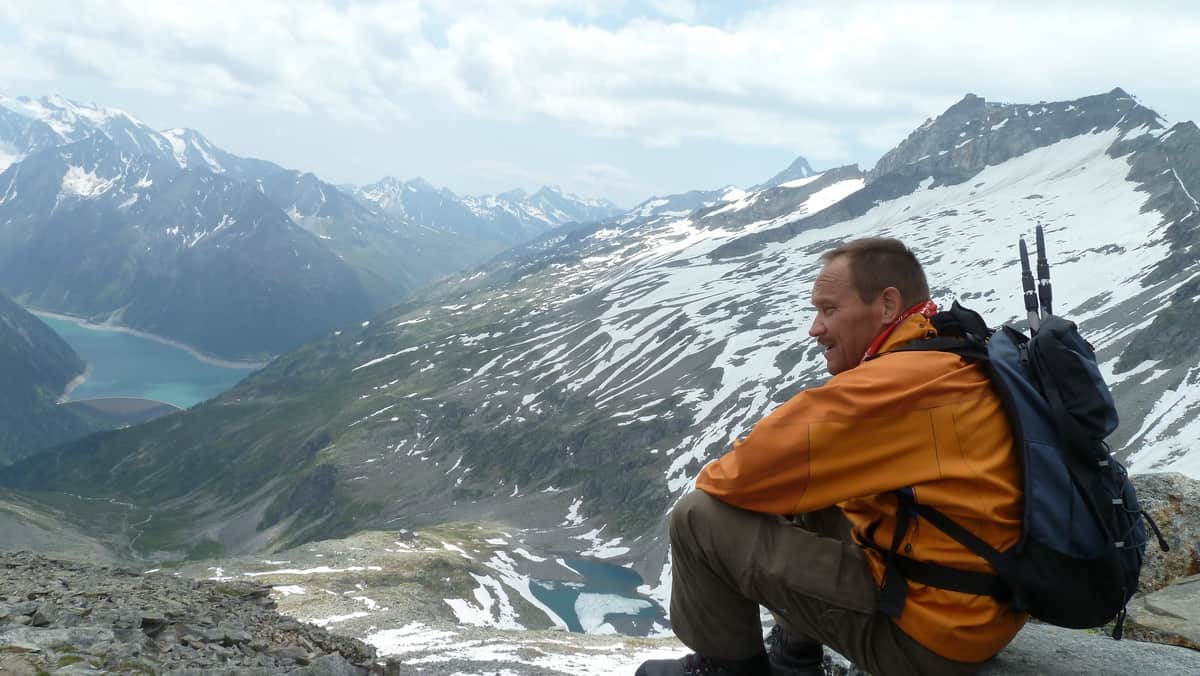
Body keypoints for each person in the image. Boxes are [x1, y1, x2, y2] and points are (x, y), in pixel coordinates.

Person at [636, 238, 1027, 676]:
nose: (815, 328)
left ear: (886, 304)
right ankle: (793, 657)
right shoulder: (956, 353)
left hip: (927, 640)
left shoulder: (892, 385)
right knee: (820, 488)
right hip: (979, 612)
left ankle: (727, 670)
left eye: (828, 310)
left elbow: (733, 479)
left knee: (697, 517)